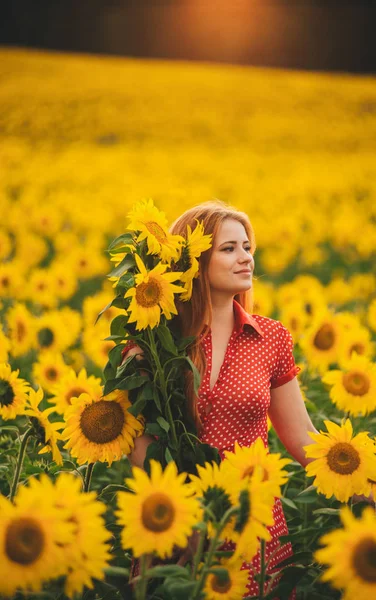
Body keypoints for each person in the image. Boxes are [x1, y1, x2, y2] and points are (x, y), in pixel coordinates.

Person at [123, 200, 318, 598]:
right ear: (193, 261)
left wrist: (366, 477)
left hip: (254, 523)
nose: (245, 258)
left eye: (247, 248)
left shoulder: (271, 338)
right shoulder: (155, 343)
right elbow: (139, 442)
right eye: (229, 249)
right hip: (173, 524)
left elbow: (301, 436)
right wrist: (181, 517)